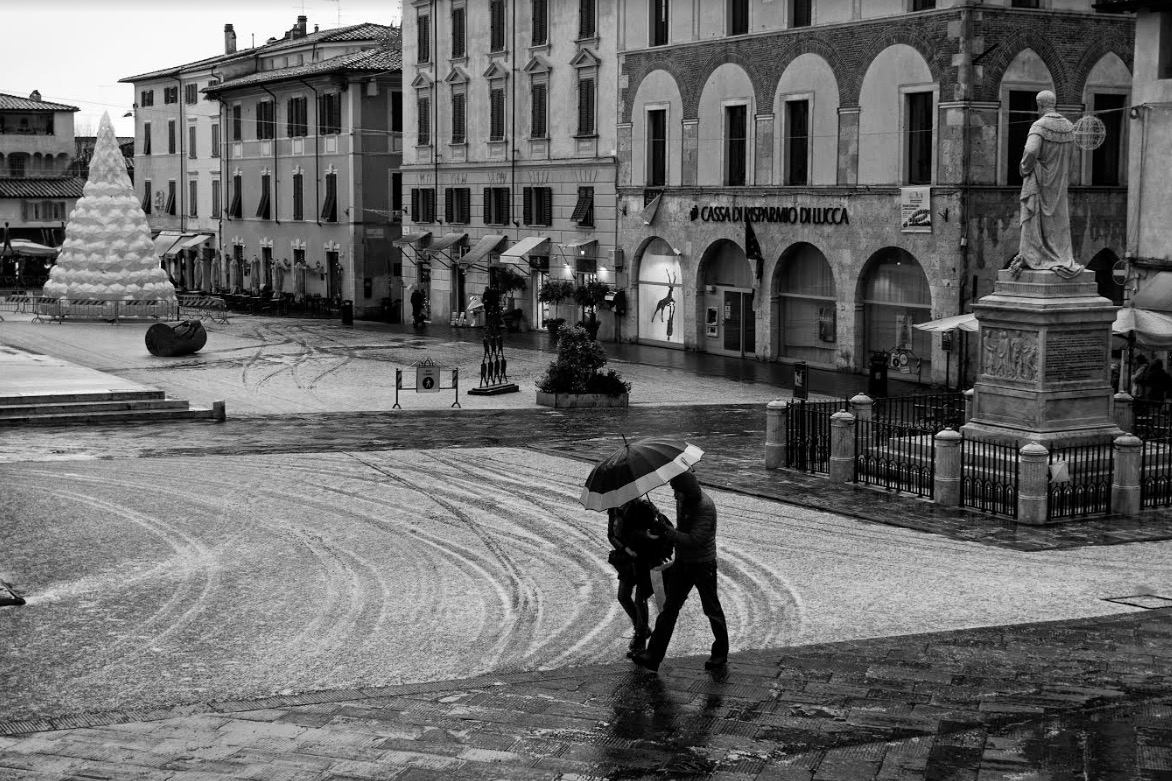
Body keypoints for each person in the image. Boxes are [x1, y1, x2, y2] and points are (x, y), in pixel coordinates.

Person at [631, 470, 729, 673]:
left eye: (677, 491)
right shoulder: (684, 500)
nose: (674, 496)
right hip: (683, 562)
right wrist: (663, 527)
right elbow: (681, 530)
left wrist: (669, 532)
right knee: (669, 608)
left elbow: (695, 540)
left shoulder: (704, 507)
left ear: (686, 491)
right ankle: (653, 656)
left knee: (711, 608)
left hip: (703, 564)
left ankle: (720, 653)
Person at [1011, 90, 1082, 280]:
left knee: (1035, 219)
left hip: (1041, 183)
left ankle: (1037, 254)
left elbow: (1031, 149)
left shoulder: (1039, 125)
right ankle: (1059, 254)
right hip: (1059, 184)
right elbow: (1073, 159)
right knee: (1057, 221)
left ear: (1039, 105)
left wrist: (1025, 168)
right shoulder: (1068, 127)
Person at [606, 497, 673, 658]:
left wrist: (645, 537)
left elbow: (657, 530)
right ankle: (640, 627)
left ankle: (640, 638)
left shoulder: (643, 508)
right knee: (623, 596)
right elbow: (611, 535)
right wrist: (625, 548)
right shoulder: (614, 509)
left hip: (645, 559)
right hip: (628, 561)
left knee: (640, 598)